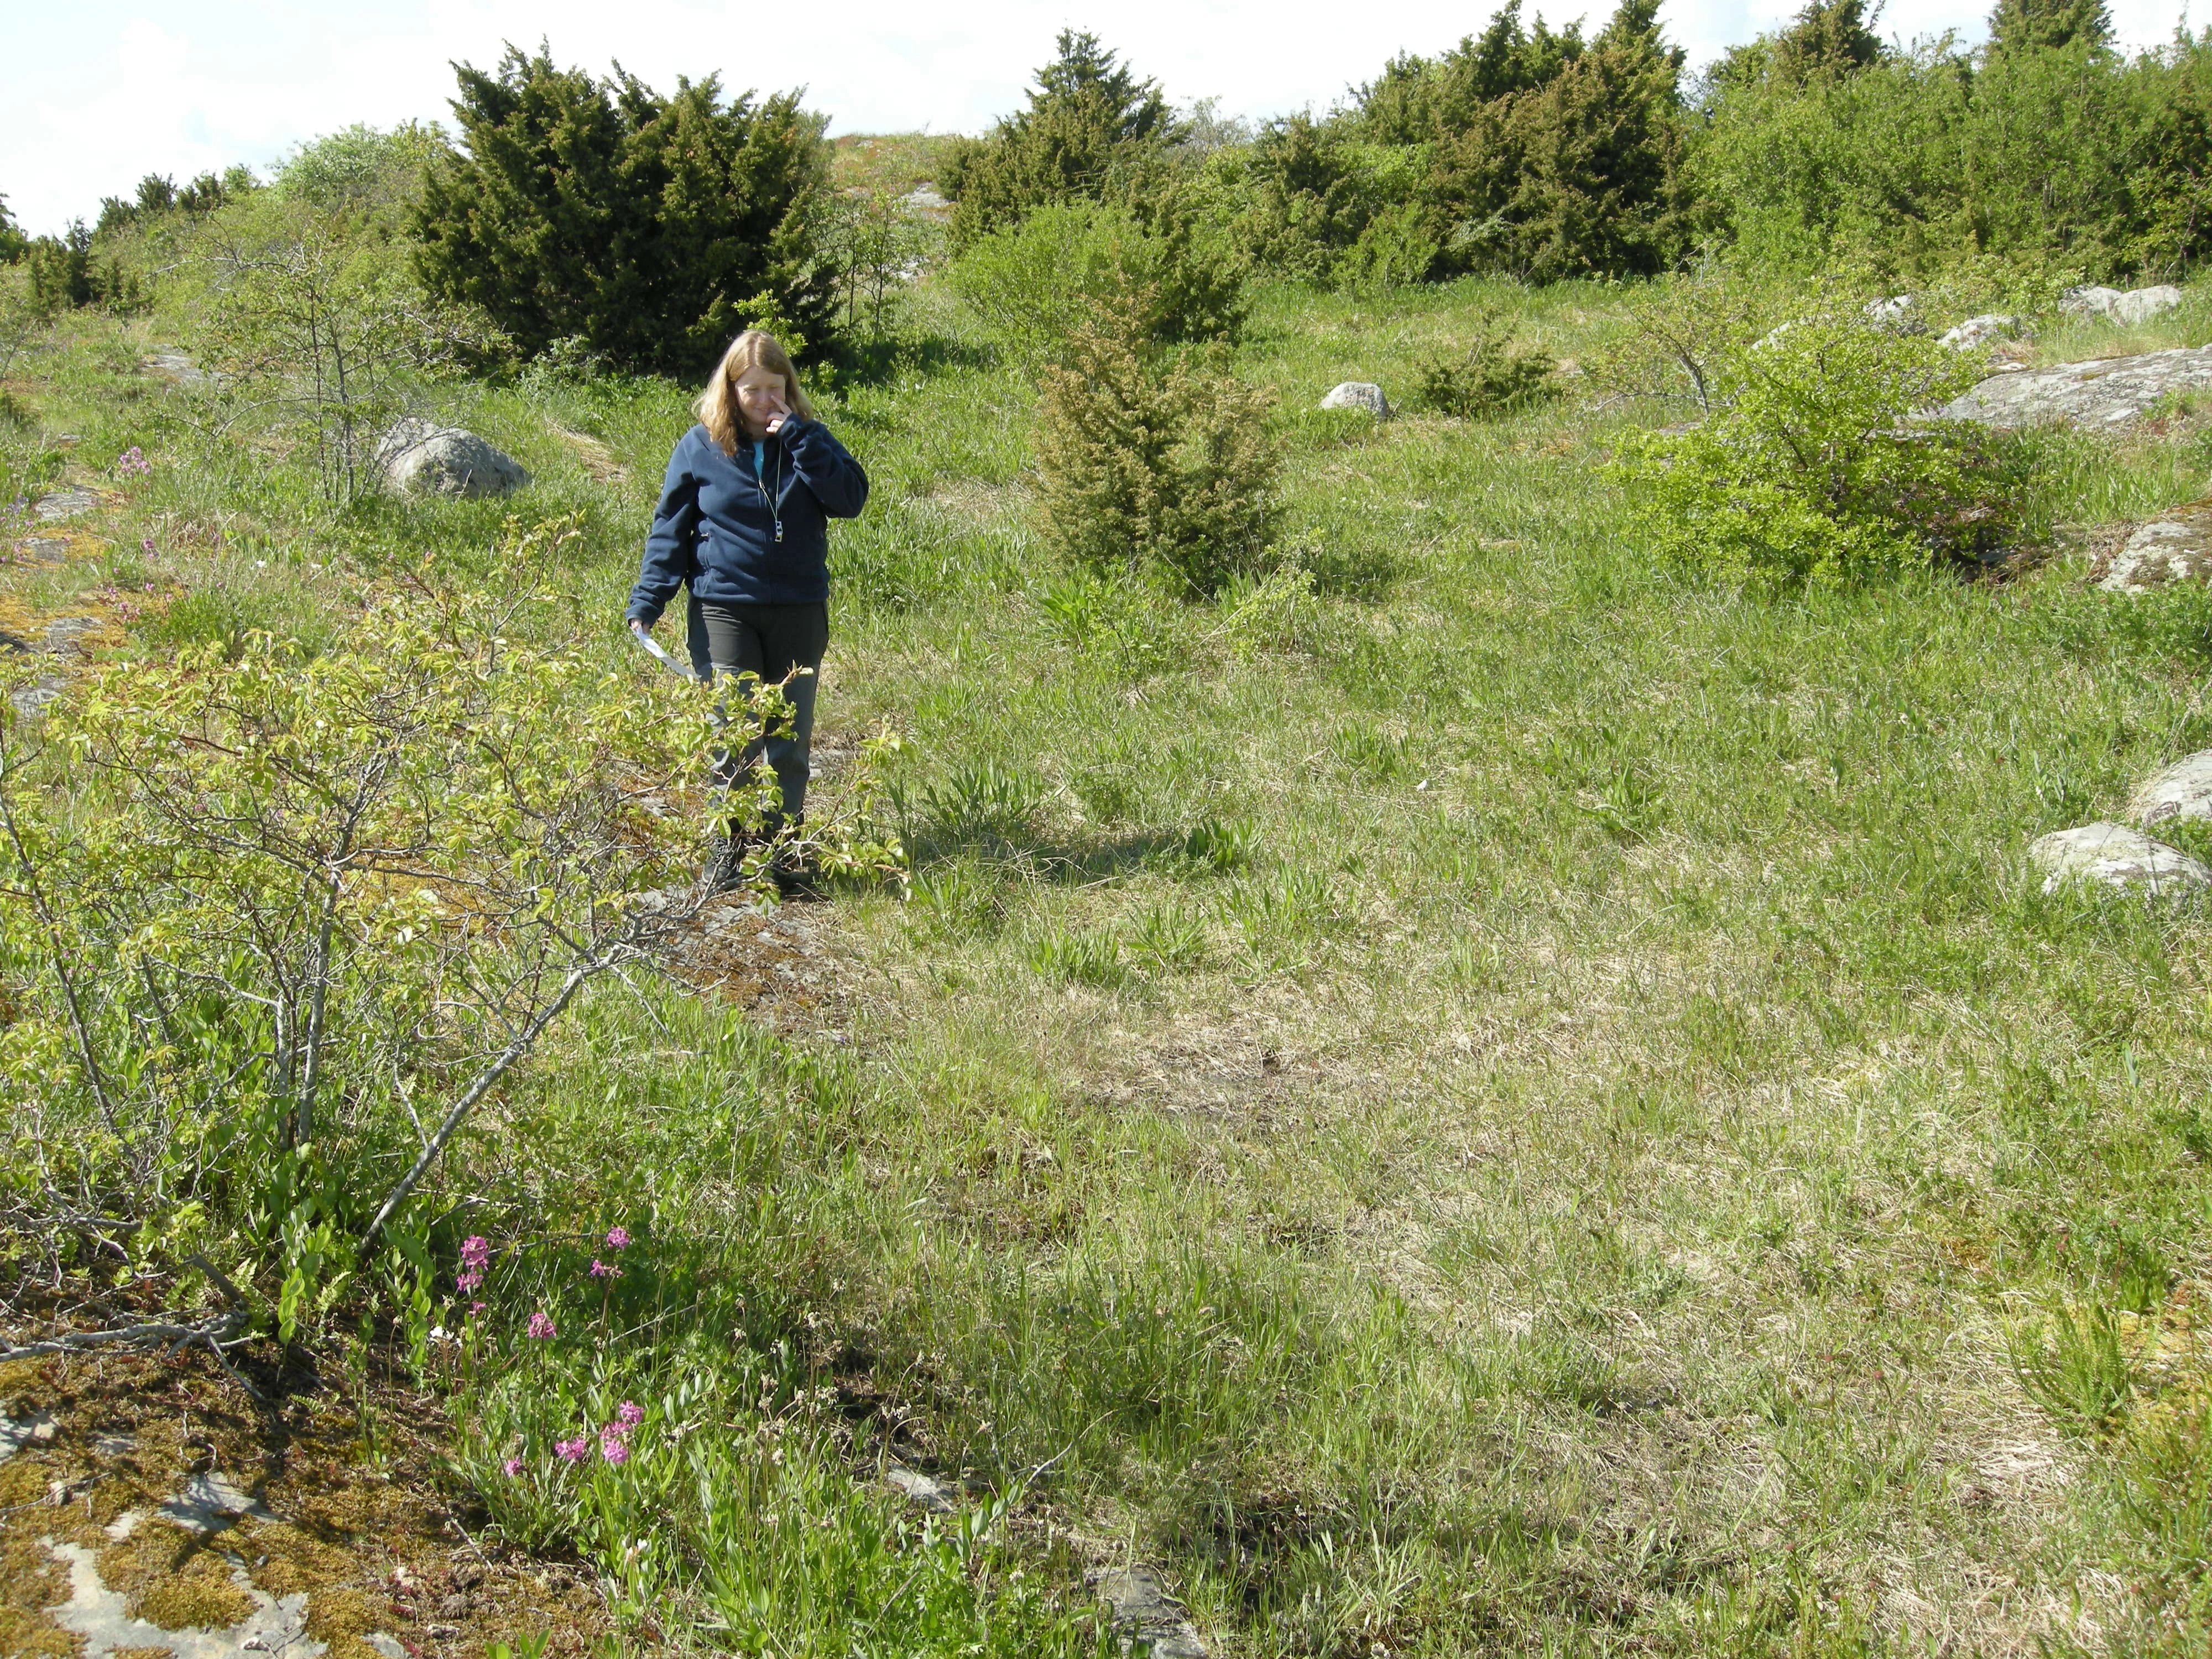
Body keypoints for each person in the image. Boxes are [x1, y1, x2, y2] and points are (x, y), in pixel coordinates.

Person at [627, 330, 869, 888]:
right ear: (729, 390)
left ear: (789, 387)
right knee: (736, 732)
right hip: (723, 608)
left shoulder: (812, 439)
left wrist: (803, 442)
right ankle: (728, 850)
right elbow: (670, 530)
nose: (763, 401)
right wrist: (648, 601)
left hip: (799, 609)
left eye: (773, 388)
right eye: (750, 389)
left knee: (789, 739)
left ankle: (785, 854)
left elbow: (850, 500)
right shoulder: (699, 446)